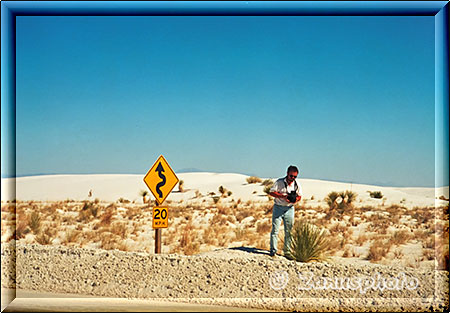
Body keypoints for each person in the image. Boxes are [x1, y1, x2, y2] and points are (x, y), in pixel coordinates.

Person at [268, 165, 302, 258]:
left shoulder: (297, 184)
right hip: (278, 208)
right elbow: (271, 192)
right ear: (287, 174)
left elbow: (300, 196)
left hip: (290, 209)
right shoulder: (279, 182)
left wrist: (295, 199)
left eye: (295, 176)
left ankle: (287, 251)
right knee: (275, 230)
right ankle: (273, 250)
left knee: (289, 231)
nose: (293, 178)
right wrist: (283, 196)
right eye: (291, 176)